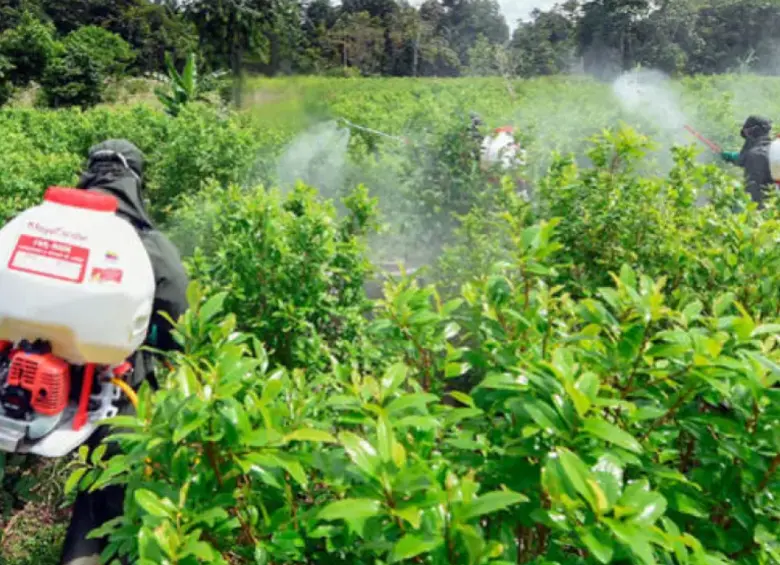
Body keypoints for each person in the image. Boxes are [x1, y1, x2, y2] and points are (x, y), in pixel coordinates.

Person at [59, 140, 189, 565]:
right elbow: (177, 314)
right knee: (115, 495)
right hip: (112, 393)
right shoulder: (144, 242)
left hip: (34, 396)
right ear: (135, 182)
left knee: (92, 488)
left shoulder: (51, 225)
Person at [720, 115, 775, 208]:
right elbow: (746, 158)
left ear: (754, 131)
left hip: (766, 208)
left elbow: (753, 190)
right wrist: (732, 157)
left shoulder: (755, 155)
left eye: (746, 132)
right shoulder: (772, 149)